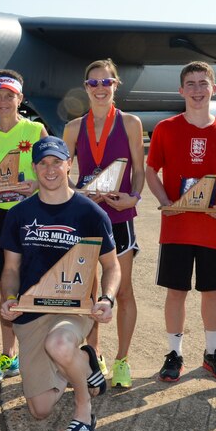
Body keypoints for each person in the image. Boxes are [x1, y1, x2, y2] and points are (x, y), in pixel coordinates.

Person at [0, 136, 121, 431]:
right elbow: (11, 270)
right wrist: (9, 298)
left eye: (56, 162)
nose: (50, 169)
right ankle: (82, 364)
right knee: (40, 409)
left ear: (69, 164)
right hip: (31, 312)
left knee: (59, 344)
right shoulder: (18, 214)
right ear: (34, 167)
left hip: (73, 309)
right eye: (43, 163)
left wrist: (106, 298)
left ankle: (83, 406)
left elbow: (112, 266)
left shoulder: (91, 214)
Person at [145, 61, 216, 383]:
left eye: (203, 83)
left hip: (213, 226)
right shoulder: (166, 128)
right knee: (176, 292)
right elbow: (151, 170)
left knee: (212, 292)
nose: (197, 90)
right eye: (191, 84)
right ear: (181, 90)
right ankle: (174, 354)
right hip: (177, 227)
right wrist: (164, 201)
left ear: (214, 89)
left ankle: (212, 352)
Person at [62, 58, 145, 388]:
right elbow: (62, 173)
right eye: (93, 83)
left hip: (119, 216)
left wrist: (133, 198)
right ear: (86, 87)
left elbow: (138, 170)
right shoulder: (73, 128)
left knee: (122, 291)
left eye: (106, 82)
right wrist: (78, 195)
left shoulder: (130, 123)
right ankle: (93, 355)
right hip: (86, 218)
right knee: (87, 290)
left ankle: (122, 359)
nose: (100, 88)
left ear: (116, 85)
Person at [0, 70, 47, 383]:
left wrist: (34, 185)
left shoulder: (36, 130)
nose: (3, 101)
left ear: (20, 98)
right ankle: (9, 354)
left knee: (36, 282)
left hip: (31, 215)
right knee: (6, 284)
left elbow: (50, 171)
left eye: (9, 95)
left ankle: (40, 350)